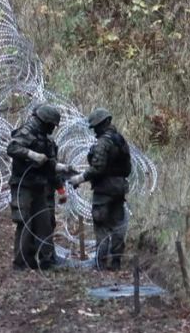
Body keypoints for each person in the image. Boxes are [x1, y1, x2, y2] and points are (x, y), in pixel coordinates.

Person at [6, 104, 74, 270]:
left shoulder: (47, 140)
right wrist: (32, 154)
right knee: (25, 223)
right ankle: (21, 263)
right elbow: (12, 148)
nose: (52, 128)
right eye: (51, 124)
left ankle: (47, 261)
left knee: (44, 223)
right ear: (44, 121)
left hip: (39, 186)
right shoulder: (26, 132)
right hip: (23, 185)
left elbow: (50, 166)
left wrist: (63, 174)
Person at [67, 108, 132, 271]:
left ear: (103, 124)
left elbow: (97, 168)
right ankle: (116, 262)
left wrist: (80, 178)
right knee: (118, 225)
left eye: (96, 126)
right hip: (119, 188)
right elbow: (128, 168)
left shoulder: (103, 143)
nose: (95, 130)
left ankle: (101, 263)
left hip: (104, 190)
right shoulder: (120, 140)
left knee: (101, 224)